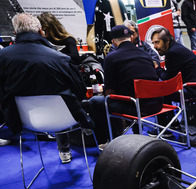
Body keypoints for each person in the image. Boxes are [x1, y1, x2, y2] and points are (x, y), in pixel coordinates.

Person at [0, 13, 94, 164]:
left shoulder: (2, 57)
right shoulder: (61, 59)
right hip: (64, 118)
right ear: (40, 32)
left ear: (15, 33)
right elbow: (81, 92)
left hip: (22, 120)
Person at [86, 24, 162, 141]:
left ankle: (112, 138)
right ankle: (134, 131)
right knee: (128, 95)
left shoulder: (111, 58)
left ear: (113, 42)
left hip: (135, 107)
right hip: (156, 104)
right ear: (131, 38)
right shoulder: (146, 55)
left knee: (97, 101)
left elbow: (109, 92)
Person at [151, 27, 196, 98]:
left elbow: (168, 79)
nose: (154, 46)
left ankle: (169, 109)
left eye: (157, 42)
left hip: (194, 89)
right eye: (153, 43)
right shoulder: (176, 48)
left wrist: (157, 67)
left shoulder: (173, 52)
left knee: (160, 89)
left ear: (167, 41)